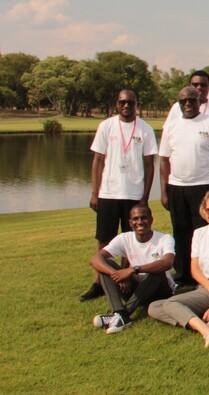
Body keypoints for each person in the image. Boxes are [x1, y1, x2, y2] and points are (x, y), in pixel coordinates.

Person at [82, 90, 157, 302]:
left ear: (136, 104)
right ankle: (99, 281)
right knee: (104, 239)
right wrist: (95, 192)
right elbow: (97, 160)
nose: (126, 106)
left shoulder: (145, 129)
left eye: (130, 103)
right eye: (122, 102)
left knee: (130, 241)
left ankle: (126, 281)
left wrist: (145, 196)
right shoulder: (106, 126)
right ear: (117, 104)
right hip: (108, 192)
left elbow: (150, 165)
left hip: (133, 194)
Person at [148, 192, 209, 347]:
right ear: (203, 211)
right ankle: (203, 323)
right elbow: (195, 269)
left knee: (171, 304)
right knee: (154, 307)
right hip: (207, 286)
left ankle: (206, 332)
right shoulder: (199, 234)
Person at [159, 86, 209, 284]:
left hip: (204, 186)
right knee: (180, 230)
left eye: (192, 100)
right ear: (178, 103)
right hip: (177, 186)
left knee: (203, 233)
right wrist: (164, 190)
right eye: (183, 101)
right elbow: (164, 159)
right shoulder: (172, 126)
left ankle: (204, 275)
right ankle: (182, 274)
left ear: (199, 100)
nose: (188, 104)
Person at [90, 204, 175, 334]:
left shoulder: (164, 238)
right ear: (130, 222)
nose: (140, 222)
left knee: (157, 270)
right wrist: (117, 275)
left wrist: (132, 270)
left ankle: (123, 315)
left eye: (144, 218)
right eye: (135, 219)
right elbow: (95, 259)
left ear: (151, 220)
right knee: (105, 264)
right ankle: (119, 312)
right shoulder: (125, 238)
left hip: (160, 291)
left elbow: (167, 263)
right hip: (135, 288)